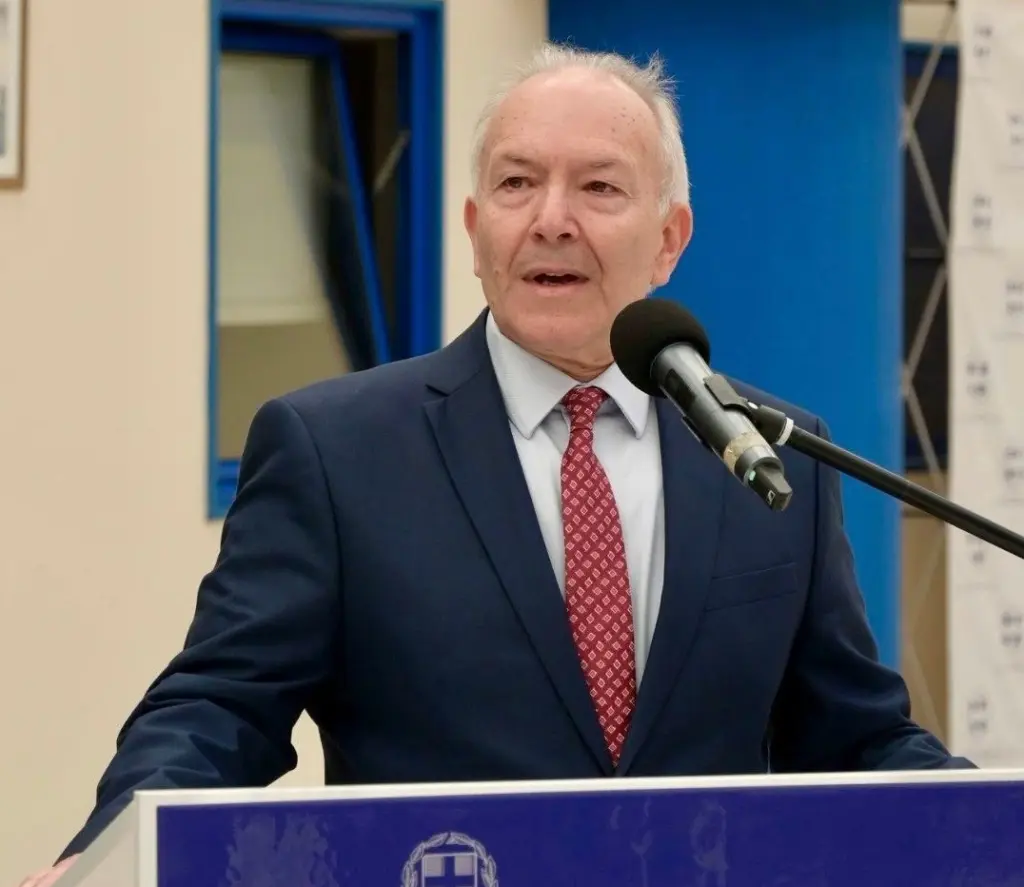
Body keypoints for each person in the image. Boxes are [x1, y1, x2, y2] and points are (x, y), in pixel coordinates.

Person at [18, 41, 971, 887]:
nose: (551, 219)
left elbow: (855, 736)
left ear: (670, 239)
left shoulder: (768, 454)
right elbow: (217, 710)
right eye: (517, 184)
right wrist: (105, 856)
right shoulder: (335, 452)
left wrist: (983, 821)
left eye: (599, 188)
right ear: (475, 228)